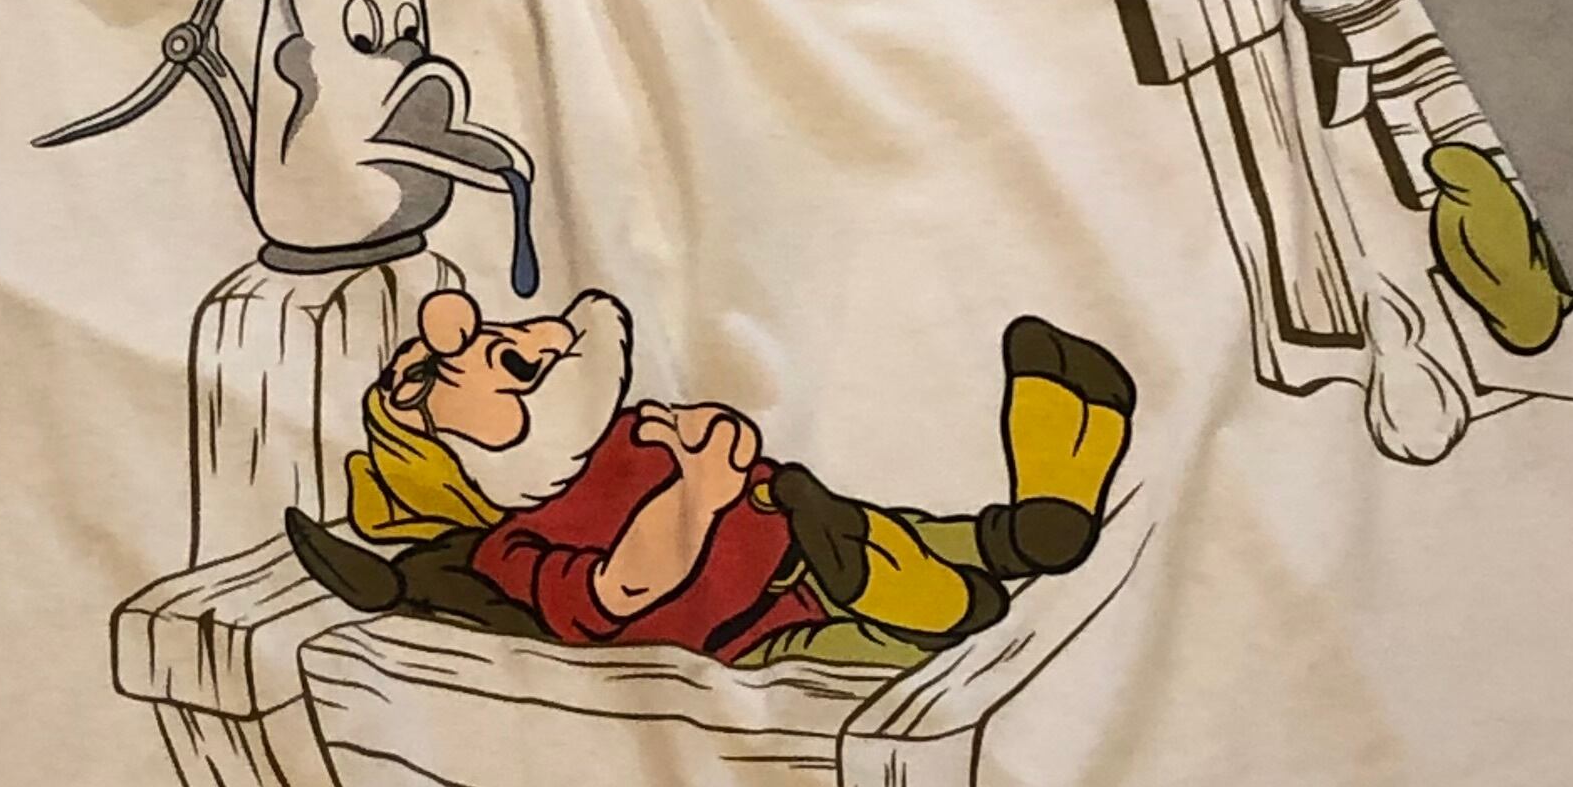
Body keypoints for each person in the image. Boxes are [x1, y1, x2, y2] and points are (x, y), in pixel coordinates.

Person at [283, 287, 1134, 671]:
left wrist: (705, 437)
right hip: (757, 626)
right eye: (465, 364)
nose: (504, 339)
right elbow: (622, 588)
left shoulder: (617, 431)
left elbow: (711, 438)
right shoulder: (513, 550)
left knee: (942, 537)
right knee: (880, 623)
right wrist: (696, 493)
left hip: (791, 519)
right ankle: (935, 602)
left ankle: (1040, 522)